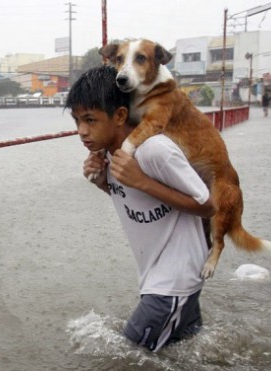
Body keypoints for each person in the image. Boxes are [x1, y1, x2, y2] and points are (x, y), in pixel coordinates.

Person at [65, 66, 216, 352]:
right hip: (161, 277)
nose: (82, 131)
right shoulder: (109, 154)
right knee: (188, 357)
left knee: (128, 361)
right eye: (76, 121)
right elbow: (132, 197)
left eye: (90, 120)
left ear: (120, 115)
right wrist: (101, 181)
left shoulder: (154, 150)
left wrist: (143, 181)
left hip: (173, 281)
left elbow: (208, 205)